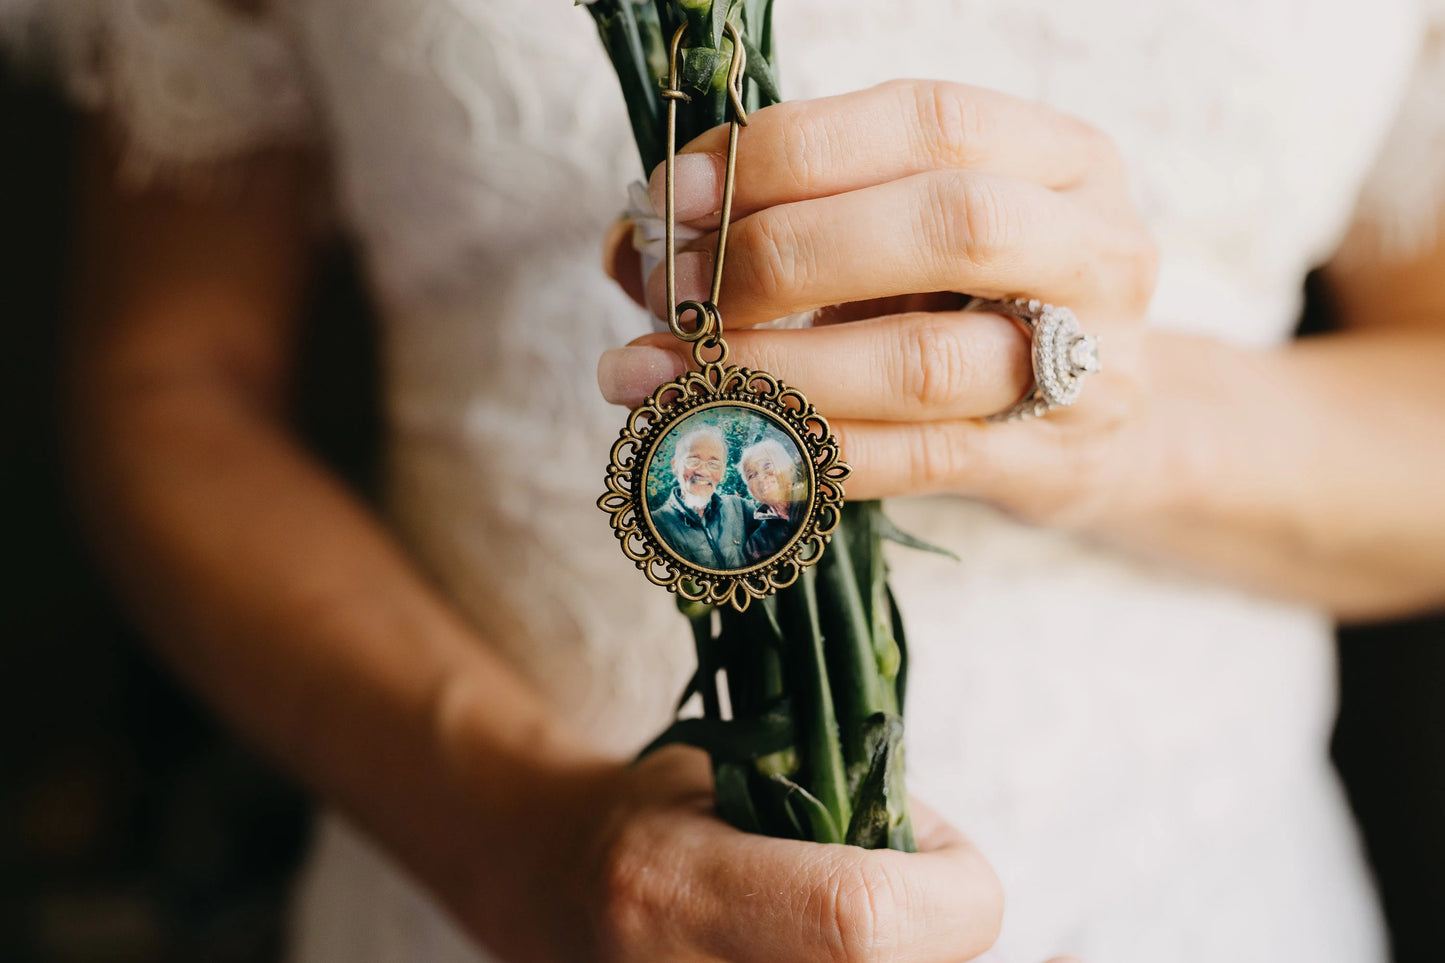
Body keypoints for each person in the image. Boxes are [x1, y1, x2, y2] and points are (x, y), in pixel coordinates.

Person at [29, 0, 1445, 960]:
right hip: (476, 877)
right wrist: (517, 840)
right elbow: (171, 382)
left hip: (1199, 896)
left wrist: (1108, 414)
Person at [649, 425, 753, 570]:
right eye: (693, 460)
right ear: (675, 466)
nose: (703, 471)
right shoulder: (656, 523)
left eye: (713, 464)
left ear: (723, 471)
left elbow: (781, 526)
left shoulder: (740, 509)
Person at [737, 437, 803, 563]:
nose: (761, 477)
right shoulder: (756, 545)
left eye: (767, 465)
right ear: (750, 491)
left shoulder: (814, 501)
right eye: (751, 475)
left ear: (789, 467)